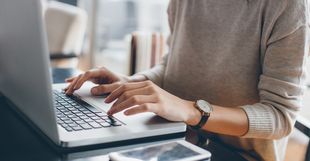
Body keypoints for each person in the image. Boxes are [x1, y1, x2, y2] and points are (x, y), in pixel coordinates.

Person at [65, 1, 309, 161]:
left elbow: (280, 116)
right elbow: (171, 65)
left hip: (234, 154)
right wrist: (130, 83)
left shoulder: (288, 6)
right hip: (169, 137)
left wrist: (192, 110)